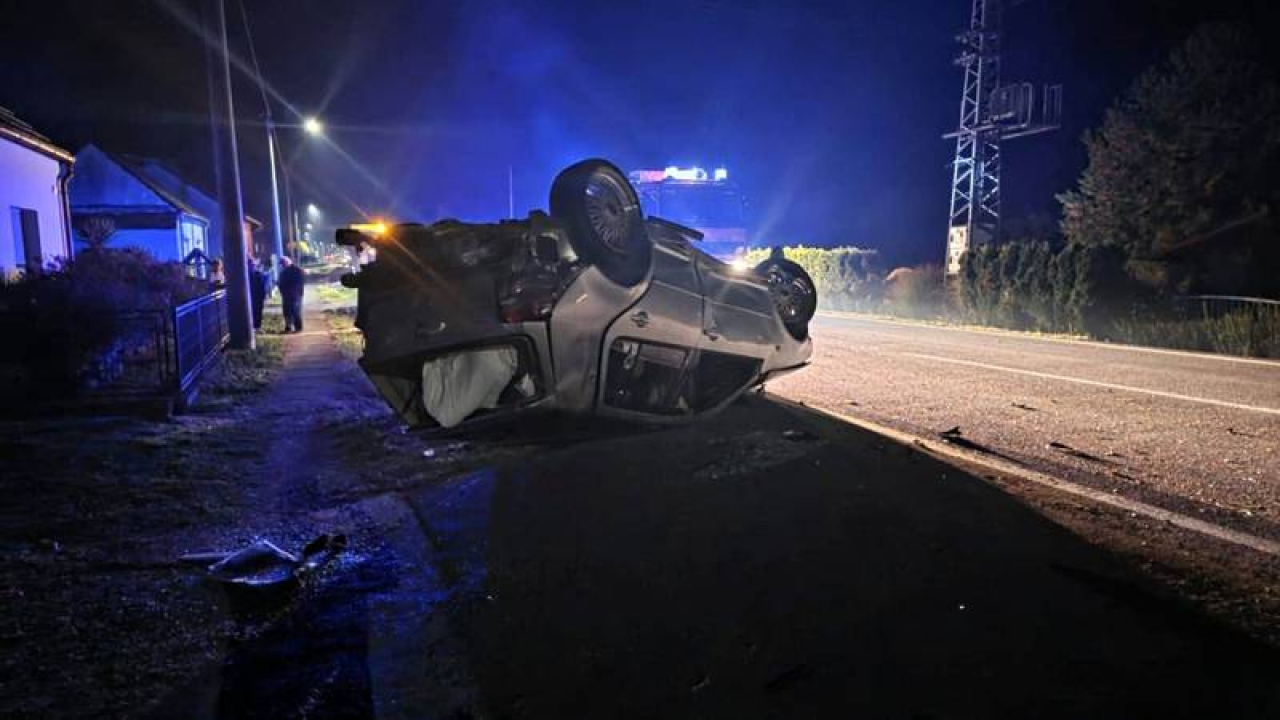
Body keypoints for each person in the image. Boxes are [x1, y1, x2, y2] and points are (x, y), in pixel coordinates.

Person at [278, 256, 306, 333]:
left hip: (291, 295)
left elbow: (281, 283)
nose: (282, 266)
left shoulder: (287, 272)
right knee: (292, 311)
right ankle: (294, 327)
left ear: (287, 263)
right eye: (281, 264)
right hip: (294, 294)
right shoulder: (297, 270)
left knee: (292, 311)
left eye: (283, 264)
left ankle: (293, 327)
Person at [247, 258, 267, 330]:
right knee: (251, 312)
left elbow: (262, 286)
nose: (252, 266)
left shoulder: (258, 274)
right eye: (250, 265)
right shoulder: (245, 275)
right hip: (249, 297)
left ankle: (257, 326)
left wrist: (263, 296)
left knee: (258, 312)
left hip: (258, 297)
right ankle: (252, 326)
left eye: (253, 265)